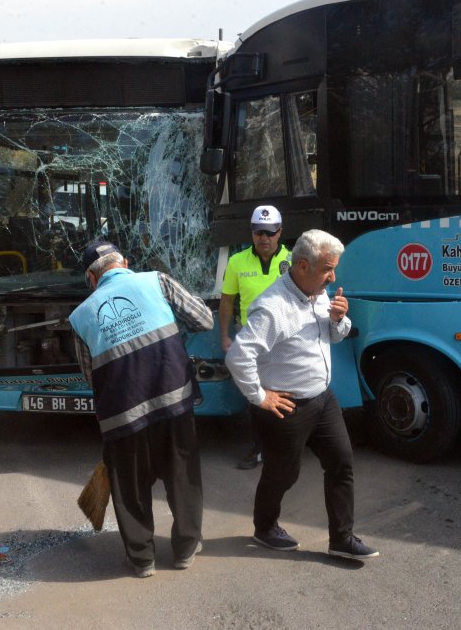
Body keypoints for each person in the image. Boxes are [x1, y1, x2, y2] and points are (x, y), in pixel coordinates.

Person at [225, 229, 379, 561]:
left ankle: (342, 539)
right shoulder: (272, 307)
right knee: (283, 474)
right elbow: (238, 356)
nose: (332, 277)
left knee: (341, 462)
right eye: (327, 269)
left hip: (322, 398)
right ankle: (265, 528)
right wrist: (260, 397)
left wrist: (338, 320)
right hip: (286, 407)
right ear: (303, 266)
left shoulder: (318, 292)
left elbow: (332, 336)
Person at [69, 240, 213, 578]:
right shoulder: (157, 281)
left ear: (92, 279)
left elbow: (90, 374)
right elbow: (204, 320)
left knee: (130, 487)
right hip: (173, 400)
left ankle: (142, 559)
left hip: (122, 413)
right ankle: (186, 548)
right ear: (125, 263)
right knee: (182, 476)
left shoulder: (80, 317)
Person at [219, 204, 291, 470]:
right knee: (256, 396)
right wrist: (224, 336)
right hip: (251, 340)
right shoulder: (236, 262)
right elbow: (227, 301)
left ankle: (284, 447)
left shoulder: (294, 260)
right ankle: (260, 448)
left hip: (285, 340)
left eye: (270, 232)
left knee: (286, 394)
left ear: (280, 232)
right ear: (251, 232)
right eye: (259, 232)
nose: (264, 238)